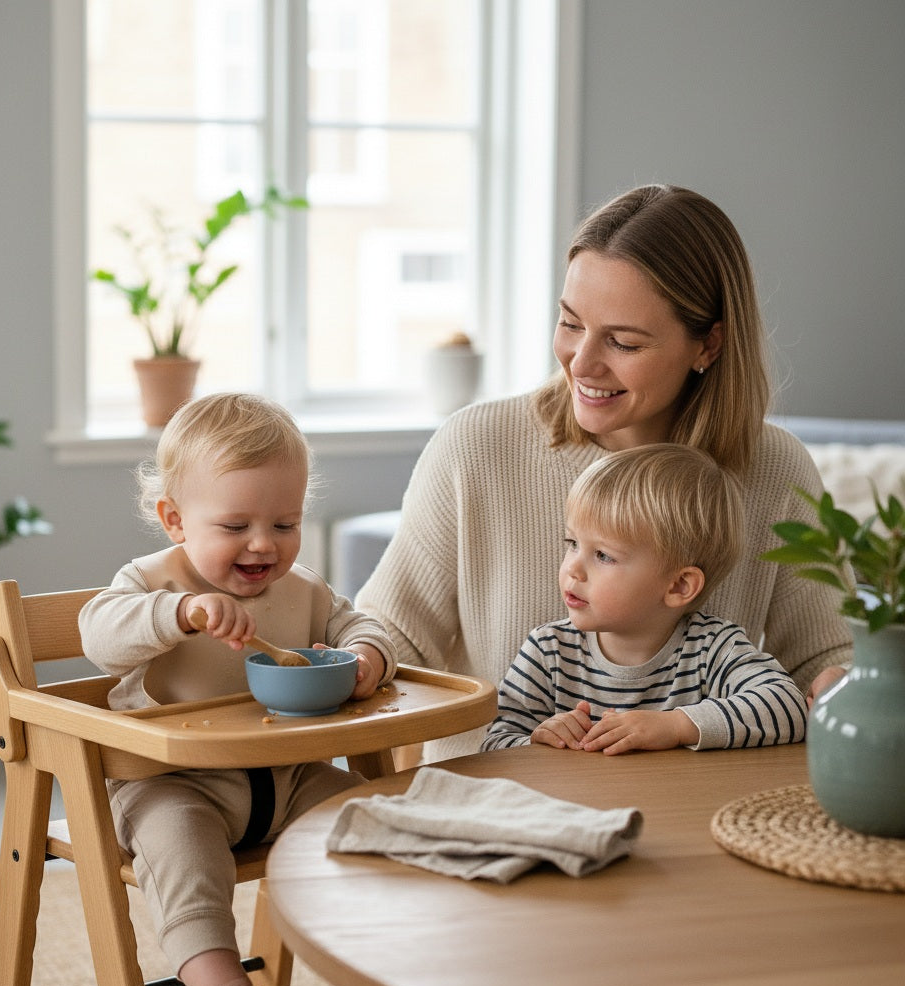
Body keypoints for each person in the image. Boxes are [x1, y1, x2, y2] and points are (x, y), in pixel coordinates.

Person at [356, 183, 850, 762]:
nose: (582, 363)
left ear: (708, 345)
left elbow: (825, 662)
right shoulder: (476, 447)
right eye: (571, 323)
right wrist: (351, 657)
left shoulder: (774, 467)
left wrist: (839, 686)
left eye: (623, 342)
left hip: (701, 805)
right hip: (497, 799)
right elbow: (392, 635)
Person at [79, 393, 397, 986]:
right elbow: (99, 634)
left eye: (284, 524)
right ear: (176, 520)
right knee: (182, 856)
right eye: (234, 527)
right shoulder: (150, 583)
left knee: (377, 822)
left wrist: (365, 660)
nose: (262, 545)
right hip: (173, 785)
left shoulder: (303, 589)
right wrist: (179, 613)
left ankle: (400, 971)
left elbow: (362, 625)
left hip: (289, 775)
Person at [481, 444, 808, 753]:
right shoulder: (548, 650)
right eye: (573, 544)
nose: (573, 569)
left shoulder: (712, 648)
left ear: (679, 586)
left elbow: (789, 706)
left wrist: (676, 726)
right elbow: (495, 745)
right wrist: (537, 742)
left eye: (603, 555)